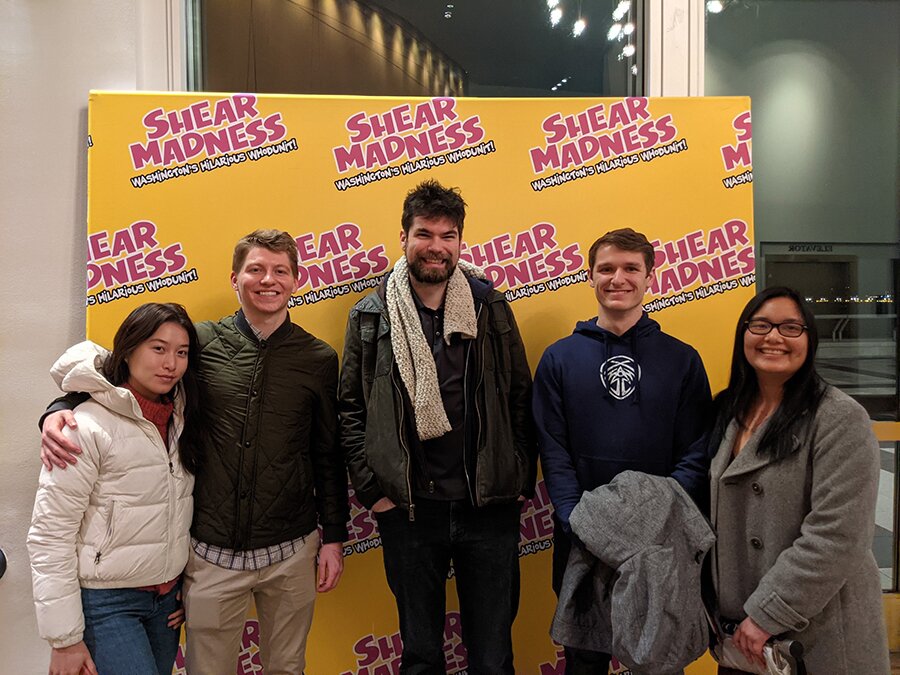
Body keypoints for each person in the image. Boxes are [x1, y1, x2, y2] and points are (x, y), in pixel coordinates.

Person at [39, 230, 349, 675]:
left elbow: (327, 452)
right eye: (256, 269)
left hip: (292, 550)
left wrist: (333, 535)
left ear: (297, 280)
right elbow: (118, 375)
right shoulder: (197, 346)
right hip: (211, 554)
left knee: (287, 666)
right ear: (234, 278)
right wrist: (60, 407)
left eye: (280, 270)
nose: (268, 280)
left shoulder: (318, 358)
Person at [339, 179, 536, 674]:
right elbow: (350, 410)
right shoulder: (371, 314)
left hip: (486, 507)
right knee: (421, 655)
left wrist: (515, 479)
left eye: (448, 236)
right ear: (403, 237)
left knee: (492, 657)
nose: (436, 246)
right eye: (424, 233)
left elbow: (519, 397)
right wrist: (374, 491)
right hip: (409, 511)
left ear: (460, 243)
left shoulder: (490, 308)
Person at [532, 228, 711, 673]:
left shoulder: (682, 359)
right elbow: (554, 450)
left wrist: (657, 517)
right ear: (589, 276)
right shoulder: (559, 359)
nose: (618, 278)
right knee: (584, 659)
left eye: (631, 268)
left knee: (659, 656)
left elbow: (697, 449)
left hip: (660, 542)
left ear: (650, 276)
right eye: (606, 268)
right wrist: (576, 518)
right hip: (584, 538)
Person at [708, 286, 890, 674]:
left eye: (791, 327)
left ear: (810, 339)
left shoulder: (839, 417)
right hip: (742, 633)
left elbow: (838, 535)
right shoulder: (727, 409)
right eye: (760, 325)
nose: (773, 337)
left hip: (814, 631)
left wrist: (766, 615)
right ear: (743, 334)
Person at [28, 302, 203, 675]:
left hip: (166, 603)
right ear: (128, 350)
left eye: (181, 352)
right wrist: (65, 639)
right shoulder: (83, 427)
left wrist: (185, 586)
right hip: (108, 604)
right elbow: (50, 535)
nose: (170, 363)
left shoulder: (183, 418)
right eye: (158, 349)